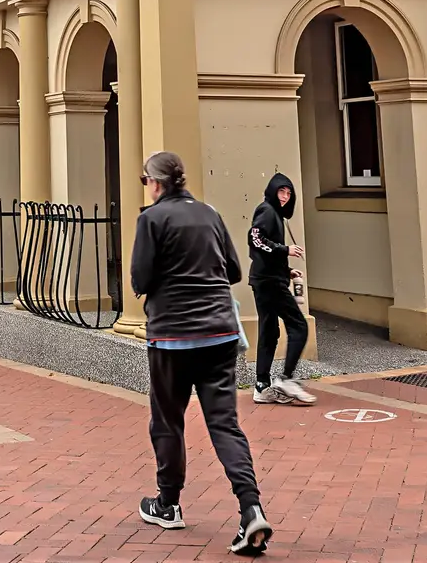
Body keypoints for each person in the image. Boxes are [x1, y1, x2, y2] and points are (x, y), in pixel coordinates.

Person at [131, 151, 273, 556]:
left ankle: (168, 503)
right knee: (224, 424)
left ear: (156, 183)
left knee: (168, 420)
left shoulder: (151, 219)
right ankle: (251, 508)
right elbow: (233, 271)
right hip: (220, 334)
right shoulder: (209, 213)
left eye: (146, 181)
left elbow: (140, 278)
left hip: (172, 338)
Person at [248, 173, 316, 406]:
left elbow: (263, 250)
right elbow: (256, 240)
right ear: (273, 191)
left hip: (265, 279)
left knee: (269, 331)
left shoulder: (274, 213)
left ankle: (261, 386)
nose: (285, 197)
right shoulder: (267, 211)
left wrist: (287, 271)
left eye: (288, 193)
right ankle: (286, 378)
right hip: (269, 283)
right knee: (298, 325)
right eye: (281, 192)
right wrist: (285, 250)